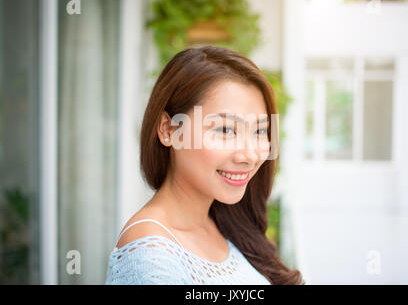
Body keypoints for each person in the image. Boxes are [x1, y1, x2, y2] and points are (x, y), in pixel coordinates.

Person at [105, 45, 304, 285]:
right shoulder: (151, 258)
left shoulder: (225, 222)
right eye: (225, 130)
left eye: (260, 130)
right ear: (169, 130)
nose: (250, 155)